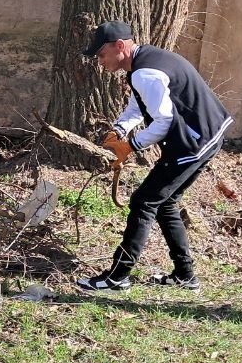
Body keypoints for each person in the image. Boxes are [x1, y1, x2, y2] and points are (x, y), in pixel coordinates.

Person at [76, 20, 232, 292]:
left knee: (144, 202)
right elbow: (139, 103)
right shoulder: (145, 62)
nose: (99, 61)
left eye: (101, 55)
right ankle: (185, 275)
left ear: (119, 46)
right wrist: (120, 129)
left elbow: (163, 122)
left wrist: (130, 146)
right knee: (165, 202)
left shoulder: (145, 73)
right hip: (207, 134)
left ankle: (117, 276)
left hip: (193, 142)